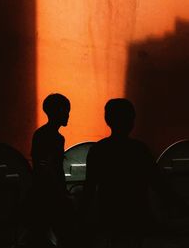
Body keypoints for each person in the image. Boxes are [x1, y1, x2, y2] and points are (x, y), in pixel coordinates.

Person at [83, 98, 163, 248]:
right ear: (132, 121)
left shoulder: (98, 150)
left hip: (109, 211)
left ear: (108, 120)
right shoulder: (140, 149)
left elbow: (90, 185)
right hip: (136, 212)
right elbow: (157, 181)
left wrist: (83, 215)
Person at [28, 93, 73, 248]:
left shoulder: (40, 134)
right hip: (50, 194)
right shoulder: (56, 138)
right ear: (58, 112)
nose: (68, 115)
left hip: (42, 192)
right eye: (66, 111)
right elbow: (51, 169)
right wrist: (62, 193)